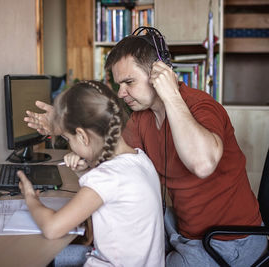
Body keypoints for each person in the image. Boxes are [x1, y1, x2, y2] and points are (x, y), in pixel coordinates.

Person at [24, 29, 267, 266]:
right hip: (182, 230)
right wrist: (65, 125)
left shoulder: (201, 106)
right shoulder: (143, 117)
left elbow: (203, 164)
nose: (122, 94)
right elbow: (109, 152)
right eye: (119, 85)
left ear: (158, 73)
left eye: (129, 82)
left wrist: (171, 95)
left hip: (229, 241)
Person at [18, 80, 165, 266]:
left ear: (82, 136)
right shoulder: (141, 159)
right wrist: (85, 171)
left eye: (67, 138)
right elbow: (112, 200)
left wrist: (31, 198)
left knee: (30, 255)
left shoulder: (107, 178)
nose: (69, 143)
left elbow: (52, 228)